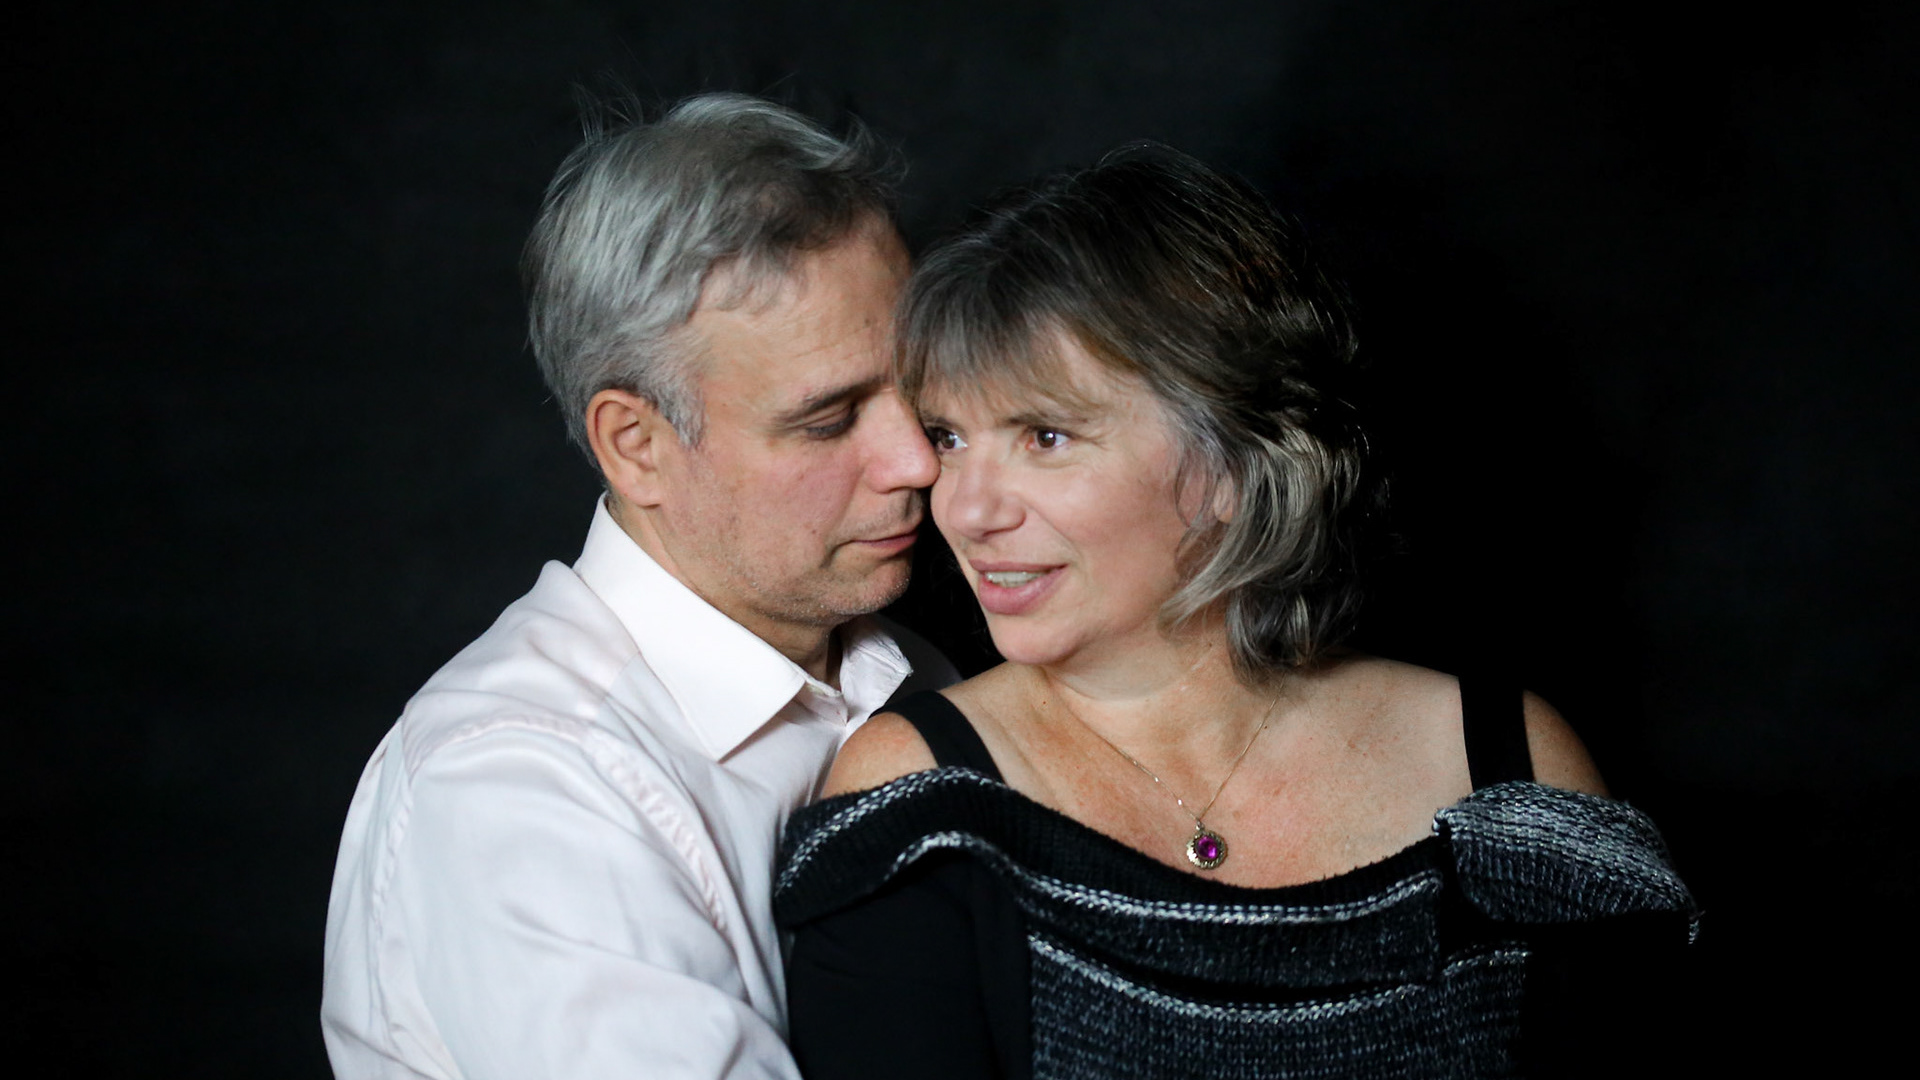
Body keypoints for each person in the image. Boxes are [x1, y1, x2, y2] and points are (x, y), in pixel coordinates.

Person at [773, 147, 1698, 1079]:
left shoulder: (1511, 772)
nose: (966, 509)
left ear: (1232, 462)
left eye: (1045, 436)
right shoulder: (917, 801)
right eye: (949, 437)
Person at [321, 93, 954, 1080]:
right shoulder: (519, 787)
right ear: (638, 445)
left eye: (914, 385)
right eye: (830, 420)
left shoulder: (920, 666)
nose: (917, 458)